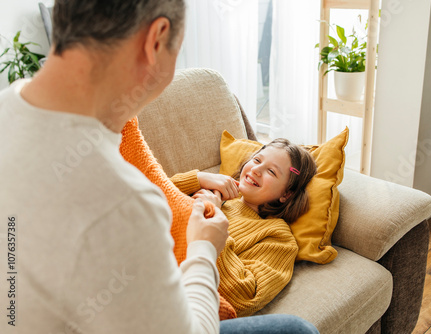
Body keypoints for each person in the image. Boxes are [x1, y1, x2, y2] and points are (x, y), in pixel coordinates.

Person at [0, 1, 319, 333]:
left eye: (272, 172)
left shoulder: (9, 111)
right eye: (177, 50)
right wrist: (204, 247)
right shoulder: (126, 204)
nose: (256, 170)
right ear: (156, 40)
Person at [193, 139, 317, 316]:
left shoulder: (278, 237)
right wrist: (199, 178)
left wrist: (214, 217)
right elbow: (148, 195)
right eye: (257, 160)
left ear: (286, 194)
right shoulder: (215, 190)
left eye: (272, 172)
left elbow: (244, 297)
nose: (256, 170)